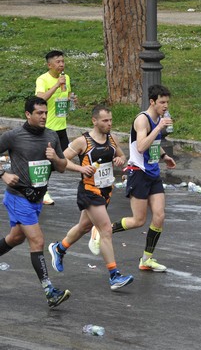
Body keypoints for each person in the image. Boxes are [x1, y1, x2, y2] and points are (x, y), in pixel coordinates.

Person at [47, 104, 134, 291]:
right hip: (89, 190)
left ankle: (59, 248)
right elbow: (62, 161)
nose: (109, 123)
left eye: (110, 120)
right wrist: (80, 168)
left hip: (106, 190)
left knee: (84, 226)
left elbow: (121, 155)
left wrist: (120, 159)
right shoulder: (83, 142)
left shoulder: (112, 138)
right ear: (94, 121)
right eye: (105, 120)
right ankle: (114, 275)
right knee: (105, 230)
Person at [92, 85, 176, 272]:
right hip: (138, 173)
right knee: (138, 220)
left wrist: (164, 156)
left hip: (153, 174)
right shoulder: (142, 120)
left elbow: (153, 143)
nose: (165, 105)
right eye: (162, 102)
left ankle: (146, 259)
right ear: (152, 102)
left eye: (167, 102)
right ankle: (103, 230)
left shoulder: (158, 119)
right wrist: (160, 128)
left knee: (160, 216)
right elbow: (140, 146)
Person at [0, 96, 70, 307]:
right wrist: (3, 173)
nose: (44, 116)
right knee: (37, 241)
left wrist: (55, 158)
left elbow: (62, 167)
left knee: (15, 238)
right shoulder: (13, 136)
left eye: (46, 113)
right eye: (39, 113)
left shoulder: (51, 136)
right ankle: (50, 291)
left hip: (36, 199)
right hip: (17, 197)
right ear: (28, 114)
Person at [35, 50, 74, 205]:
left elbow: (67, 95)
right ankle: (42, 191)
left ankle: (39, 186)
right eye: (58, 62)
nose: (61, 65)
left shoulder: (67, 78)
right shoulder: (42, 79)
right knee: (47, 161)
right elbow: (39, 99)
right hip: (47, 128)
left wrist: (72, 99)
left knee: (62, 160)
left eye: (63, 61)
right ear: (49, 64)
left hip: (61, 127)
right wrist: (56, 85)